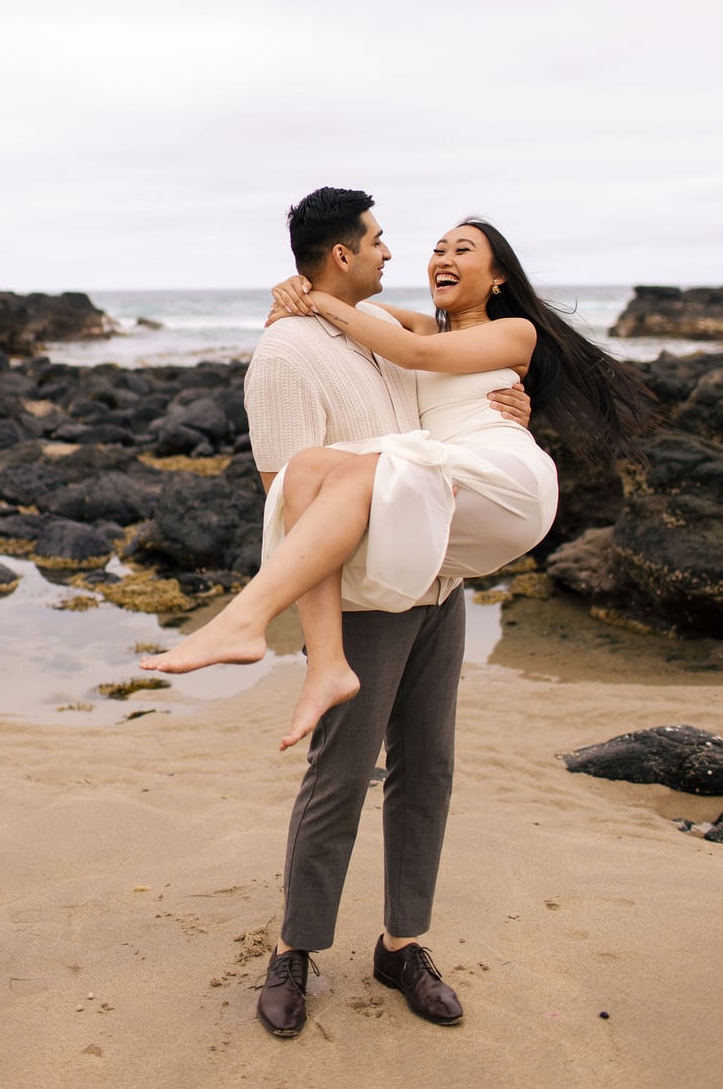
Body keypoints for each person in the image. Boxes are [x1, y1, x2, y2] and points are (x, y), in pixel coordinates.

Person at [142, 187, 532, 1038]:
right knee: (342, 773)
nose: (394, 253)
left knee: (428, 766)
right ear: (344, 255)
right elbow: (288, 498)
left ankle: (403, 943)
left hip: (436, 578)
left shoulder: (390, 336)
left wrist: (509, 401)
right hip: (366, 595)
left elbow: (448, 406)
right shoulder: (286, 355)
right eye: (380, 240)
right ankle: (295, 945)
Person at [142, 216, 650, 754]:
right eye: (437, 249)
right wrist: (297, 288)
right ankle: (328, 665)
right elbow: (366, 313)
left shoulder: (513, 331)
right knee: (306, 470)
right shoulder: (427, 326)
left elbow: (414, 356)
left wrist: (318, 301)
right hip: (443, 475)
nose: (443, 259)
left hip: (504, 479)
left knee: (359, 472)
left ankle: (246, 616)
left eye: (463, 250)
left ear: (498, 275)